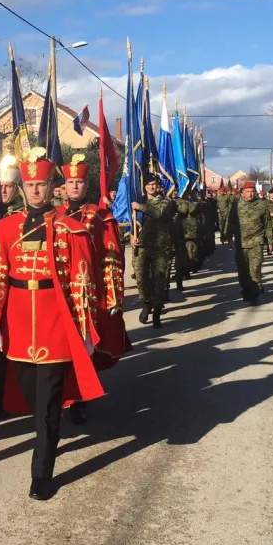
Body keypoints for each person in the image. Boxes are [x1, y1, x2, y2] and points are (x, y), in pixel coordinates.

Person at [0, 147, 103, 500]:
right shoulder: (6, 227)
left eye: (41, 184)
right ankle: (48, 430)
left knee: (48, 402)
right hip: (18, 321)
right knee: (31, 396)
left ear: (53, 187)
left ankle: (41, 472)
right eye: (30, 185)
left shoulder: (71, 229)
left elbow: (84, 281)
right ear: (23, 187)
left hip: (55, 320)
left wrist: (85, 329)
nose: (35, 190)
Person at [57, 153, 131, 425]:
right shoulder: (54, 216)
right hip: (60, 293)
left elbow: (112, 258)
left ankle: (79, 399)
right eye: (70, 182)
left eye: (79, 182)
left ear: (86, 184)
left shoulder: (100, 216)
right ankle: (62, 394)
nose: (75, 186)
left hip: (89, 292)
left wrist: (113, 297)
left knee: (85, 346)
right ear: (64, 186)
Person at [0, 155, 26, 420]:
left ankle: (5, 399)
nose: (3, 191)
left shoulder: (21, 215)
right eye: (1, 186)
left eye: (8, 187)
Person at [132, 173, 175, 327]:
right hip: (142, 247)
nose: (151, 187)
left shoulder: (166, 202)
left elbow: (158, 213)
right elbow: (131, 222)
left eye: (154, 184)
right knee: (141, 279)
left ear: (157, 186)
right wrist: (131, 236)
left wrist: (140, 207)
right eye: (148, 184)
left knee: (159, 281)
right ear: (144, 186)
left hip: (160, 247)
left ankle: (157, 312)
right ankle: (145, 304)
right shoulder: (138, 200)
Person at [226, 182, 273, 304]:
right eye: (247, 192)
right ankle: (246, 289)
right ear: (242, 193)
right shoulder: (236, 206)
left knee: (255, 269)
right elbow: (230, 222)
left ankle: (254, 294)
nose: (250, 194)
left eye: (252, 191)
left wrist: (270, 241)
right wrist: (229, 238)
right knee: (242, 271)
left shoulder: (262, 205)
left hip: (257, 242)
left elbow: (267, 224)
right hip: (241, 243)